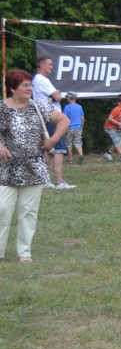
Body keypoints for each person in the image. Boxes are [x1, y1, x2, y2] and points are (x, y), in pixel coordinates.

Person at [0, 69, 70, 262]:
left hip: (33, 167)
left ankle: (24, 252)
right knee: (2, 210)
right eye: (25, 85)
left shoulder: (37, 107)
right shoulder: (1, 108)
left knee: (28, 211)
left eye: (30, 84)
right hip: (6, 169)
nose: (30, 88)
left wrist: (54, 139)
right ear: (13, 88)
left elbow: (64, 120)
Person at [32, 56, 73, 188]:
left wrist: (56, 95)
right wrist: (57, 94)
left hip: (45, 116)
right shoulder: (42, 79)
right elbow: (57, 97)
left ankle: (44, 180)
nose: (52, 67)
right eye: (49, 64)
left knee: (46, 148)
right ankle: (59, 182)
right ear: (42, 65)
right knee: (58, 149)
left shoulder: (37, 80)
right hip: (52, 116)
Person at [103, 95, 121, 162]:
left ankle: (108, 153)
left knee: (119, 142)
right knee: (117, 142)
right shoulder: (116, 109)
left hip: (116, 128)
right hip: (109, 127)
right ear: (119, 103)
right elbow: (110, 118)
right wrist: (119, 124)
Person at [62, 93, 84, 164]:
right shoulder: (79, 107)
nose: (66, 98)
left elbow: (64, 119)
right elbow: (82, 118)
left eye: (67, 97)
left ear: (70, 98)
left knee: (69, 143)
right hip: (78, 127)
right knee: (78, 143)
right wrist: (81, 127)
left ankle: (71, 159)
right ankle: (81, 155)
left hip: (69, 128)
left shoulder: (67, 107)